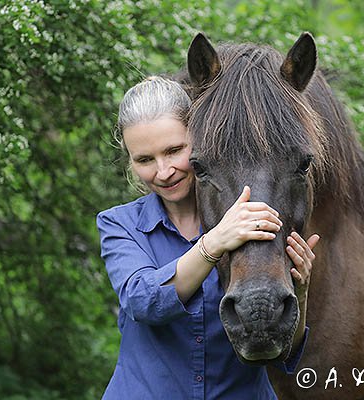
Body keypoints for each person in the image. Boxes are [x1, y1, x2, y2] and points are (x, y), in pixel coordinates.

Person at [97, 76, 319, 399]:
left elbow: (285, 351)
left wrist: (299, 292)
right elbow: (142, 301)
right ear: (130, 161)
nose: (163, 171)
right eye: (144, 159)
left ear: (197, 141)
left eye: (174, 150)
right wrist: (214, 243)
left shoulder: (248, 221)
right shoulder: (120, 224)